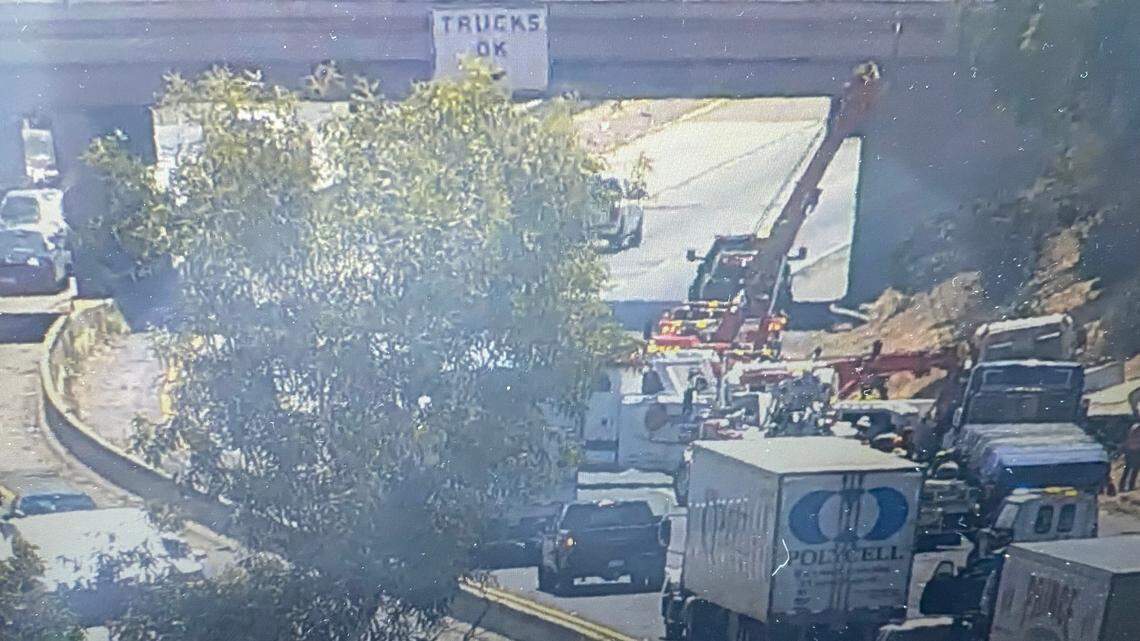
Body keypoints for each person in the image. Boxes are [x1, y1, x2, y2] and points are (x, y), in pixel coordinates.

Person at [1120, 418, 1140, 492]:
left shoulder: (1134, 428)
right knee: (1130, 469)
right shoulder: (1136, 428)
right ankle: (1126, 486)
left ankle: (1127, 486)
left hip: (1133, 450)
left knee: (1131, 469)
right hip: (1133, 451)